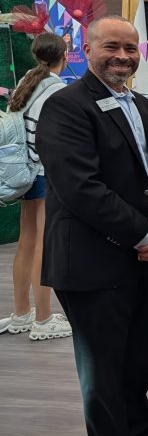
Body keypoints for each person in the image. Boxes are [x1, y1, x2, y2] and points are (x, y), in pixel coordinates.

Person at [36, 16, 148, 436]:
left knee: (137, 357)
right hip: (92, 261)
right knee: (102, 366)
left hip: (142, 252)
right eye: (111, 48)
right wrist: (144, 234)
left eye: (130, 48)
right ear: (87, 47)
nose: (122, 56)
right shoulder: (65, 107)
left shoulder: (139, 104)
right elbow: (81, 188)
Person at [0, 33, 71, 341]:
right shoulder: (57, 87)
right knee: (44, 242)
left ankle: (21, 314)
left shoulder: (29, 79)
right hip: (43, 172)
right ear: (64, 56)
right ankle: (43, 319)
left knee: (27, 241)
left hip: (24, 172)